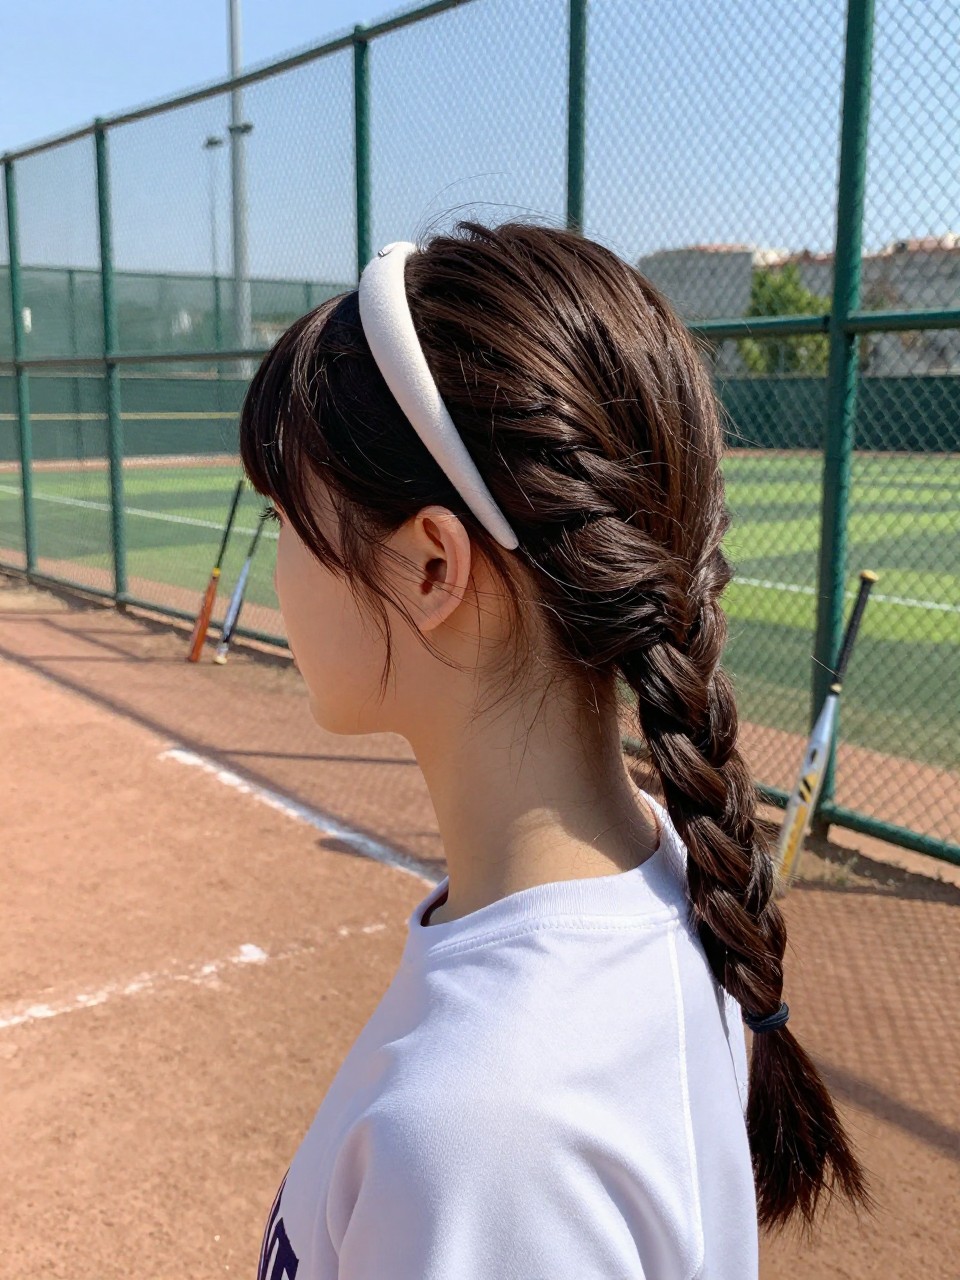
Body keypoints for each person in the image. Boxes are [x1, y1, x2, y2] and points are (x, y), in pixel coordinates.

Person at [241, 222, 871, 1280]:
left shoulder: (483, 1145)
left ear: (433, 565)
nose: (278, 570)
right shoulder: (668, 876)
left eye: (289, 518)